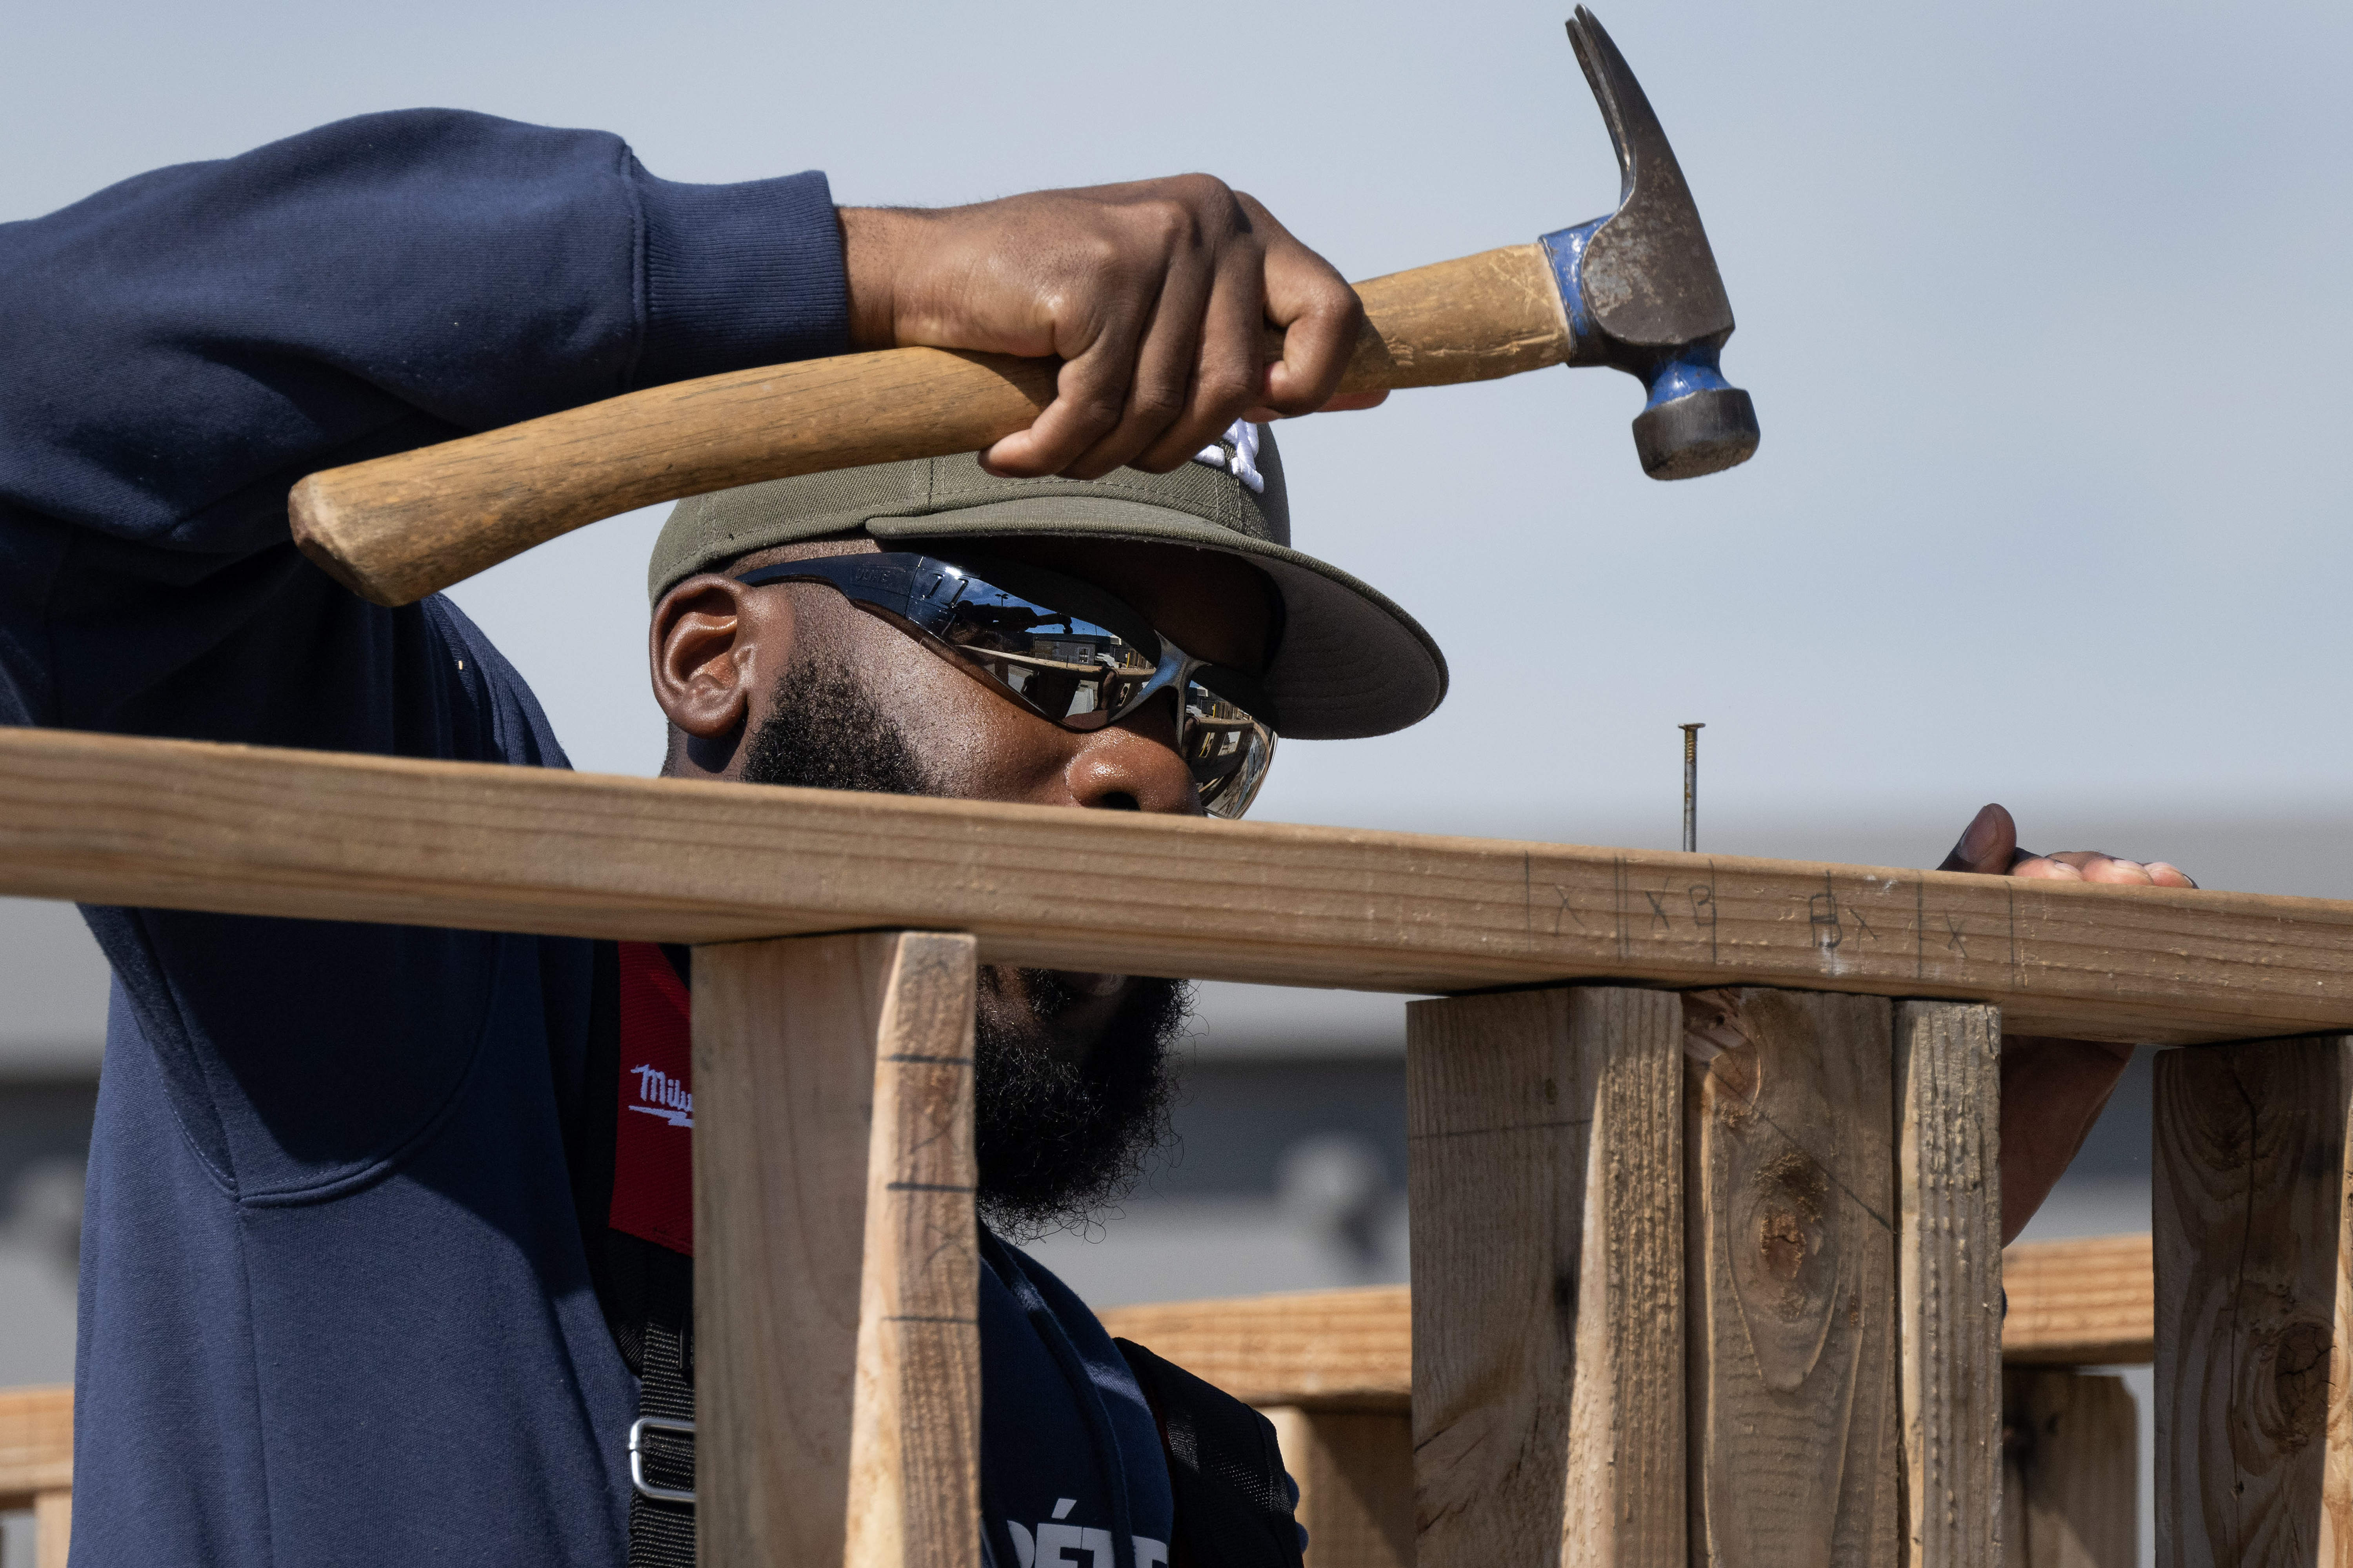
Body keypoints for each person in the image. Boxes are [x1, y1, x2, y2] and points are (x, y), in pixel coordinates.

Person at [0, 108, 2182, 1565]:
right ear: (708, 660)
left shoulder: (1102, 1437)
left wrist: (1893, 1215)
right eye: (1052, 655)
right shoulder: (428, 1001)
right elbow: (47, 391)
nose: (1140, 767)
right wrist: (866, 271)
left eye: (1204, 723)